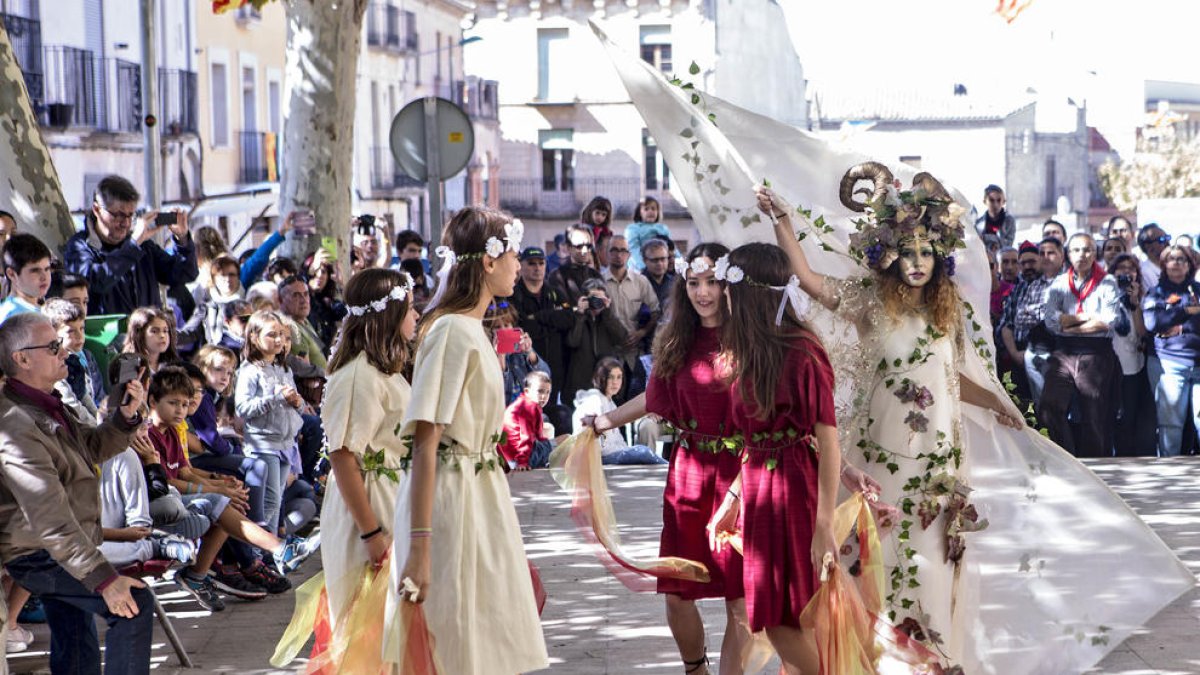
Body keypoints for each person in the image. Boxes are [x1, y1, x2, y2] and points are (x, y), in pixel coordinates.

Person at [757, 167, 1023, 665]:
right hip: (878, 471)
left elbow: (949, 381)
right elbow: (811, 282)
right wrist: (783, 223)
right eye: (908, 251)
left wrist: (996, 403)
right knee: (872, 575)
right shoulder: (869, 304)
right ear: (890, 256)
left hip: (936, 477)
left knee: (928, 574)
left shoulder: (948, 314)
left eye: (927, 252)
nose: (918, 262)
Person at [385, 206, 547, 673]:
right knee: (456, 635)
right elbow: (425, 440)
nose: (520, 265)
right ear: (490, 261)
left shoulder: (472, 327)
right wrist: (419, 546)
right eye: (514, 254)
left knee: (487, 629)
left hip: (480, 492)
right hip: (452, 501)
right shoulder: (452, 330)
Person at [0, 312, 153, 674]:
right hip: (38, 551)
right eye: (53, 346)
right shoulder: (15, 424)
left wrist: (124, 418)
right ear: (22, 359)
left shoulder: (46, 402)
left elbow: (91, 448)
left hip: (60, 546)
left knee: (76, 640)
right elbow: (48, 518)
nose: (64, 351)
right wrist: (103, 579)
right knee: (133, 604)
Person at [315, 268, 419, 655]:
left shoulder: (382, 370)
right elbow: (342, 455)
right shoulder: (358, 375)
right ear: (387, 315)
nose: (416, 317)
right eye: (410, 309)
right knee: (371, 633)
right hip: (371, 506)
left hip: (393, 496)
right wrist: (372, 534)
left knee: (398, 632)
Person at [63, 174, 198, 316]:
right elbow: (96, 282)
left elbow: (185, 274)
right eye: (118, 215)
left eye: (130, 215)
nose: (125, 223)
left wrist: (182, 239)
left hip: (147, 335)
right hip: (108, 337)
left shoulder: (143, 246)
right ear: (97, 210)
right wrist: (133, 245)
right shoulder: (79, 246)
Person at [1040, 232, 1121, 457]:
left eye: (1087, 250)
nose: (1082, 255)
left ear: (1095, 253)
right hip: (1063, 351)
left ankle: (1097, 467)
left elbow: (1109, 321)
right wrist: (1087, 318)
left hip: (1095, 354)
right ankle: (1066, 458)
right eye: (1076, 250)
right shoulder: (1058, 284)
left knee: (1094, 414)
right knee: (1049, 406)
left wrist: (1068, 322)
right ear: (1068, 254)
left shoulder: (1107, 282)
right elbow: (1050, 320)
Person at [236, 310, 305, 546]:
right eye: (271, 335)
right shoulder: (249, 370)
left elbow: (297, 403)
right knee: (269, 502)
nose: (278, 340)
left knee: (277, 501)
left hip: (285, 443)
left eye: (281, 336)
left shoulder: (284, 369)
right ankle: (262, 552)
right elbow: (243, 408)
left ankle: (273, 552)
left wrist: (298, 402)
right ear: (255, 337)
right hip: (263, 444)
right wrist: (275, 398)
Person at [1142, 244, 1200, 458]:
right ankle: (1170, 467)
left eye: (1182, 259)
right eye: (1172, 259)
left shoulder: (1198, 290)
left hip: (1199, 364)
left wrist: (1181, 327)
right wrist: (1187, 311)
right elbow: (1152, 322)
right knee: (1170, 425)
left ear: (1189, 265)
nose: (1176, 263)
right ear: (1164, 264)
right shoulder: (1155, 293)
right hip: (1169, 365)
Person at [1000, 238, 1064, 409]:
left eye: (1032, 262)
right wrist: (1014, 353)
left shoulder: (1052, 286)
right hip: (1018, 355)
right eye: (1023, 263)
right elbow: (1006, 325)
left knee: (1049, 409)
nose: (1028, 266)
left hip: (1047, 353)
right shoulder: (1017, 290)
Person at [511, 245, 575, 411]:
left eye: (541, 263)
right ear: (521, 265)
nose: (537, 268)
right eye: (531, 263)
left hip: (554, 366)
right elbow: (522, 327)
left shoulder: (555, 293)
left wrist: (539, 317)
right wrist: (552, 323)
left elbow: (568, 319)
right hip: (525, 367)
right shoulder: (514, 294)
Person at [571, 357, 667, 465]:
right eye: (611, 377)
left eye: (619, 377)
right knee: (642, 452)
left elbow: (618, 439)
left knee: (639, 452)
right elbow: (592, 439)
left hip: (613, 453)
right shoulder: (594, 400)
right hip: (601, 457)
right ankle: (667, 467)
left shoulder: (611, 403)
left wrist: (626, 450)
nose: (615, 382)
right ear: (602, 378)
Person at [1108, 253, 1156, 456]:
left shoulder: (1145, 297)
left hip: (1133, 365)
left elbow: (1142, 332)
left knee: (1130, 417)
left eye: (1131, 268)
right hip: (1109, 364)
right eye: (1121, 268)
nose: (1126, 272)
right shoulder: (1105, 294)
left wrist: (1134, 302)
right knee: (1113, 418)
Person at [603, 234, 661, 399]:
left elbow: (656, 311)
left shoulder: (640, 281)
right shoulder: (599, 281)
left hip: (635, 354)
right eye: (614, 250)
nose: (618, 254)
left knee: (636, 398)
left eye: (623, 250)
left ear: (629, 254)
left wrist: (642, 332)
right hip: (609, 352)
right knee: (611, 400)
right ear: (606, 253)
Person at [563, 278, 628, 409]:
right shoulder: (576, 317)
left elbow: (622, 338)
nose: (596, 303)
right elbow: (572, 342)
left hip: (605, 383)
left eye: (600, 299)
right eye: (593, 299)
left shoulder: (608, 318)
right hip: (581, 380)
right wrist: (580, 315)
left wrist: (608, 312)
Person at [43, 299, 99, 426]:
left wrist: (102, 425)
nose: (80, 336)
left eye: (81, 328)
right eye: (70, 331)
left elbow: (85, 397)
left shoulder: (74, 360)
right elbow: (72, 405)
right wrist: (98, 429)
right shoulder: (52, 366)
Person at [500, 371, 556, 470]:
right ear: (527, 391)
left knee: (548, 433)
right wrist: (522, 462)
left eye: (548, 392)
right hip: (519, 458)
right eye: (540, 391)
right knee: (566, 440)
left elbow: (538, 436)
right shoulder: (529, 407)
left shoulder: (522, 402)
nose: (544, 396)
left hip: (509, 456)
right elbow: (525, 436)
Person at [0, 233, 52, 325]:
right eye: (35, 270)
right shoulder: (12, 317)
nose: (44, 277)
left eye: (47, 269)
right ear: (11, 274)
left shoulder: (42, 311)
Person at [278, 275, 327, 370]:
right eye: (296, 295)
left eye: (306, 294)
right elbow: (306, 371)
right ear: (280, 300)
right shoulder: (291, 327)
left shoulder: (302, 319)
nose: (303, 300)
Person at [548, 224, 603, 305]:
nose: (584, 251)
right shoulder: (557, 276)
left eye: (588, 246)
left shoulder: (596, 275)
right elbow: (561, 309)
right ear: (568, 247)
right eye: (579, 246)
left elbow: (608, 311)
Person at [121, 307, 180, 373]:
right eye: (154, 331)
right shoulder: (127, 367)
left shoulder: (174, 365)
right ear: (139, 334)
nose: (162, 336)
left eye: (165, 331)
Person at [625, 196, 671, 271]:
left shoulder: (663, 228)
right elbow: (633, 249)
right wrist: (643, 266)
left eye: (653, 209)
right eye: (646, 209)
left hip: (660, 264)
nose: (650, 211)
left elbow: (671, 248)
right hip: (639, 266)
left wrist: (680, 262)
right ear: (639, 212)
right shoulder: (633, 229)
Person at [974, 184, 1015, 249]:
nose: (995, 204)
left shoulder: (1009, 221)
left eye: (999, 200)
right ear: (985, 201)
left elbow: (1008, 244)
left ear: (1003, 202)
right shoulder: (978, 223)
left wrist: (986, 238)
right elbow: (977, 244)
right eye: (991, 200)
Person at [1138, 223, 1170, 289]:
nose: (1167, 243)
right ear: (1148, 247)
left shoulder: (1172, 268)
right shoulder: (1144, 273)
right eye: (1161, 239)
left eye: (1167, 237)